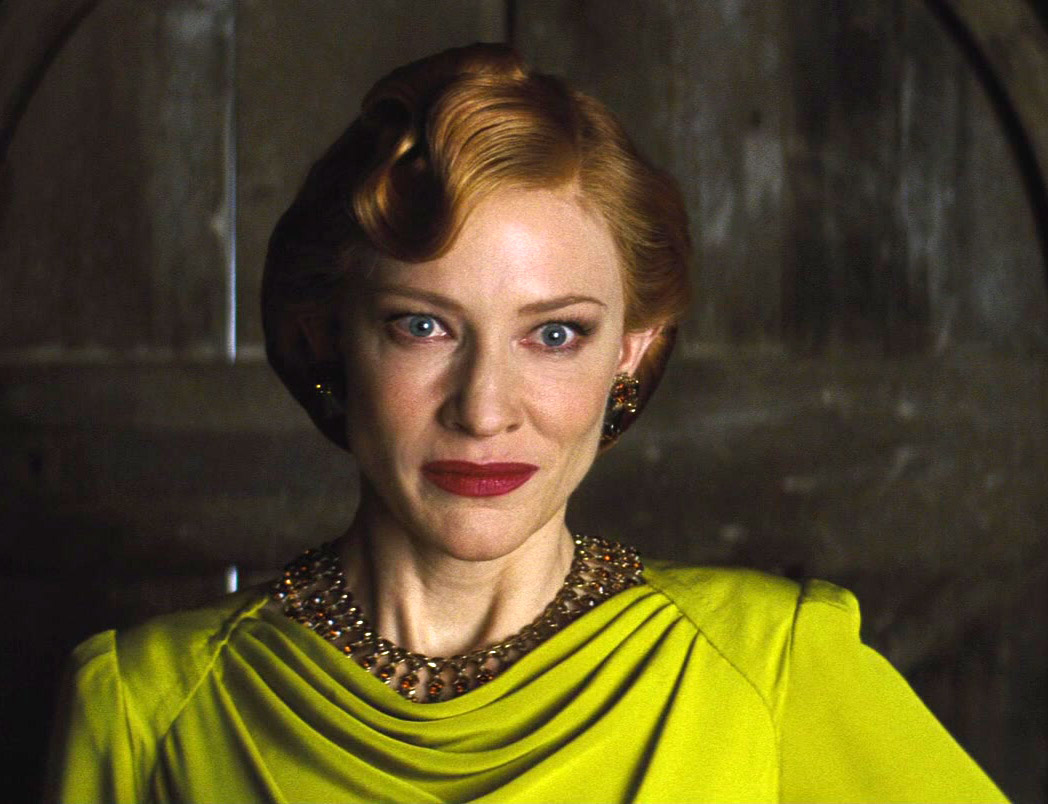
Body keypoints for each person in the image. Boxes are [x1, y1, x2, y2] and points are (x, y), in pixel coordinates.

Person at [47, 43, 1006, 803]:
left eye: (554, 334)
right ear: (325, 336)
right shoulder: (147, 712)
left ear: (632, 348)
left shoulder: (771, 668)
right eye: (423, 326)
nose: (484, 408)